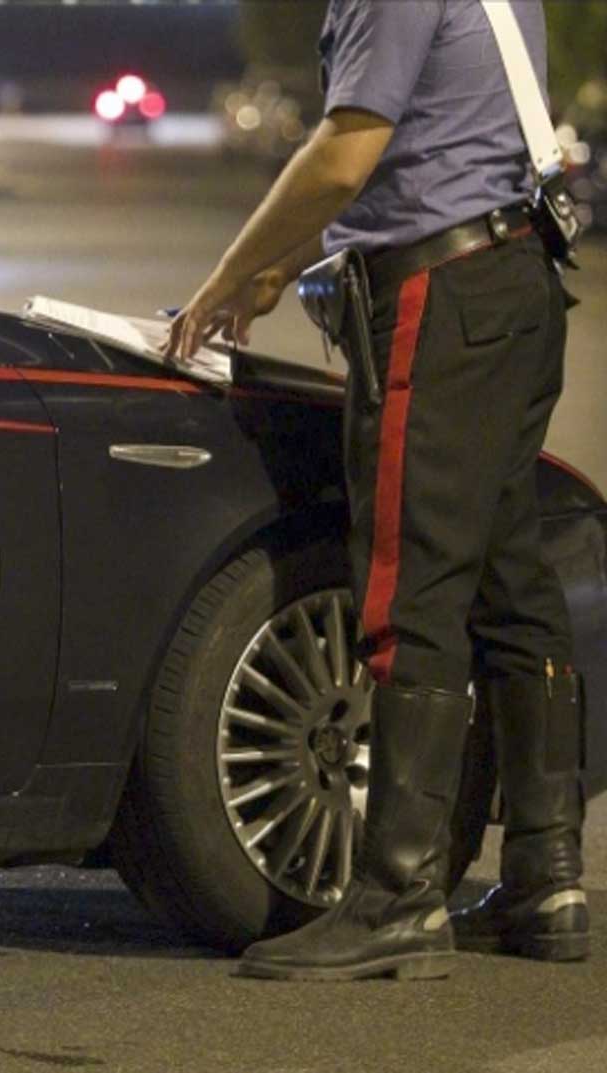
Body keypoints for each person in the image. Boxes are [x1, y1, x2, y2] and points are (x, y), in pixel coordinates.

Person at [165, 0, 586, 980]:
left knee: (410, 584)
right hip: (513, 278)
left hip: (440, 302)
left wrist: (230, 274)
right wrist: (284, 267)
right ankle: (545, 876)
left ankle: (395, 895)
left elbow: (346, 151)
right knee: (507, 574)